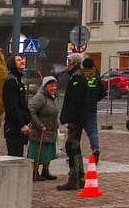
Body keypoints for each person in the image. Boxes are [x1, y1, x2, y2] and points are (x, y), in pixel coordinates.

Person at [57, 55, 96, 191]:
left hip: (76, 120)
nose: (67, 64)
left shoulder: (77, 78)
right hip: (78, 119)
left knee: (71, 147)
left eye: (68, 62)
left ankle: (73, 178)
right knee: (75, 147)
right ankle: (80, 177)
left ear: (73, 63)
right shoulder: (77, 76)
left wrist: (71, 119)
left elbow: (74, 101)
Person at [27, 75, 62, 181]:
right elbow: (31, 111)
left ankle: (45, 171)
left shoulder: (53, 97)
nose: (53, 88)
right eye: (51, 86)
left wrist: (56, 123)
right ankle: (34, 172)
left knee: (47, 151)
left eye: (55, 85)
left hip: (50, 130)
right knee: (37, 152)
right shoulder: (40, 97)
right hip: (40, 131)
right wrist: (39, 125)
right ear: (45, 86)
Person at [2, 52, 34, 159]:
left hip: (18, 126)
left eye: (22, 59)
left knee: (19, 156)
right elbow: (12, 106)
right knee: (14, 157)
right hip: (14, 127)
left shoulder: (18, 80)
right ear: (13, 64)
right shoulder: (11, 81)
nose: (22, 61)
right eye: (18, 60)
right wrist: (21, 124)